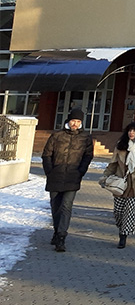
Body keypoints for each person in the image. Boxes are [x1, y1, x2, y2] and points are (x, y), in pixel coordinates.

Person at [41, 107, 94, 252]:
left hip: (73, 176)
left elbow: (88, 156)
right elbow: (46, 155)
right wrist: (49, 171)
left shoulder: (86, 138)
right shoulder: (57, 136)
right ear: (68, 121)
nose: (75, 124)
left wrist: (81, 171)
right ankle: (57, 231)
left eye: (78, 121)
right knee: (55, 206)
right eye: (73, 121)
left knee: (66, 206)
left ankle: (61, 237)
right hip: (55, 176)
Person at [100, 122, 135, 248]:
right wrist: (105, 176)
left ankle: (123, 236)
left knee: (130, 211)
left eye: (134, 131)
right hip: (120, 182)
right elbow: (113, 163)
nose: (131, 133)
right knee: (118, 211)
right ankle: (122, 227)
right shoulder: (120, 146)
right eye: (130, 131)